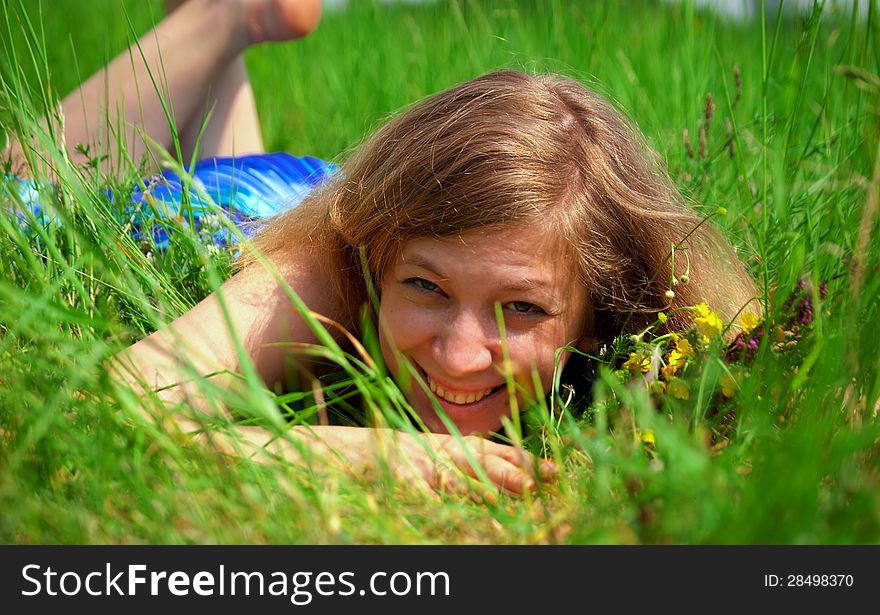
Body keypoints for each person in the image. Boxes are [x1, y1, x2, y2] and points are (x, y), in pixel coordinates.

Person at [4, 0, 759, 497]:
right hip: (215, 212)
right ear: (377, 257)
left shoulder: (647, 322)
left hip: (301, 187)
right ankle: (223, 16)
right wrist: (375, 455)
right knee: (28, 191)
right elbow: (122, 406)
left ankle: (229, 27)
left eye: (522, 307)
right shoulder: (319, 274)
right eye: (427, 288)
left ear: (598, 311)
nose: (462, 354)